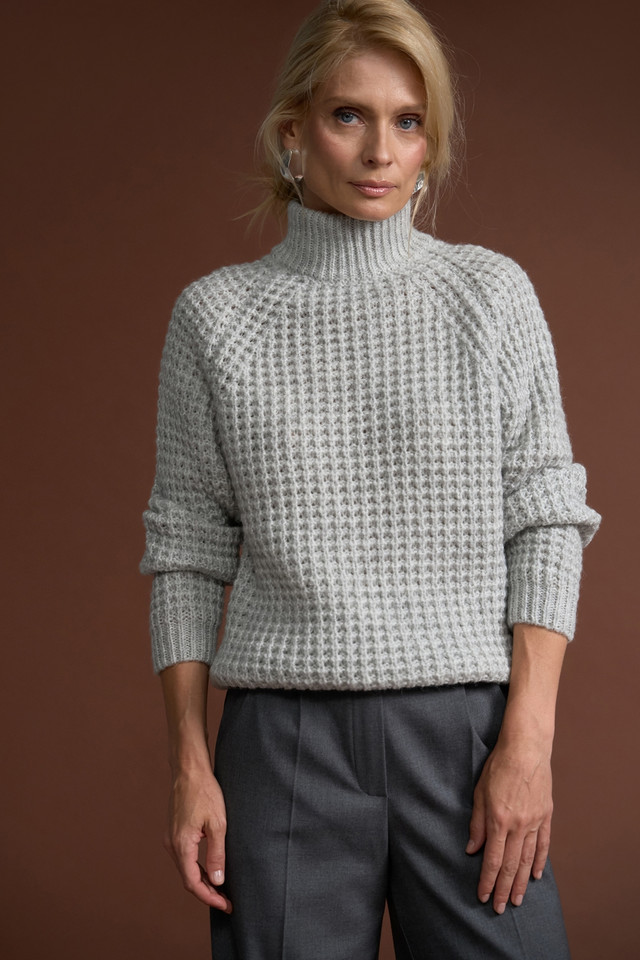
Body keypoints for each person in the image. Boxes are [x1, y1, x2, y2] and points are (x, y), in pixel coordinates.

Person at [140, 1, 602, 957]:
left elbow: (547, 521)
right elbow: (185, 549)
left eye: (409, 121)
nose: (380, 151)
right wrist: (190, 763)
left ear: (430, 144)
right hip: (284, 749)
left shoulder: (490, 296)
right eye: (348, 115)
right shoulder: (215, 319)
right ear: (293, 131)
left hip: (465, 736)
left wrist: (528, 742)